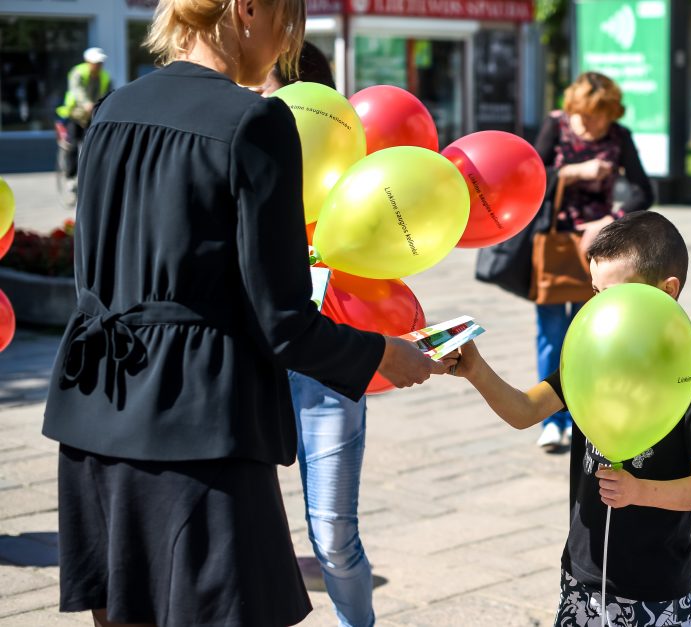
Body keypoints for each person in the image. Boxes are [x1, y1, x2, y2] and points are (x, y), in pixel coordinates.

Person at [41, 1, 451, 626]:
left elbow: (89, 271)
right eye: (291, 22)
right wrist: (381, 353)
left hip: (97, 405)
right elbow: (280, 317)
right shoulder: (255, 121)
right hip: (199, 425)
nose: (289, 43)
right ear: (247, 9)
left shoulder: (112, 110)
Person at [450, 211, 691, 627]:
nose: (598, 307)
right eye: (595, 292)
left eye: (613, 294)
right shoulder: (591, 356)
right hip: (581, 577)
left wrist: (640, 491)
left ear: (667, 291)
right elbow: (524, 411)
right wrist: (476, 370)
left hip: (654, 592)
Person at [258, 42, 375, 627]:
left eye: (267, 88)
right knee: (245, 530)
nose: (256, 97)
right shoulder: (246, 154)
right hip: (253, 365)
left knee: (332, 535)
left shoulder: (358, 167)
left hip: (327, 365)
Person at [532, 71, 654, 451]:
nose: (591, 124)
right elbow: (531, 176)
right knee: (552, 335)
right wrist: (572, 171)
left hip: (601, 251)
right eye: (585, 115)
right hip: (554, 244)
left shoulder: (620, 137)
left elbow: (643, 191)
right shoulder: (555, 126)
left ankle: (584, 417)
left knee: (593, 334)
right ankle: (552, 421)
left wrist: (612, 219)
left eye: (600, 116)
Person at [56, 47, 111, 180]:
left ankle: (92, 175)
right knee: (73, 144)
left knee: (94, 144)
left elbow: (108, 94)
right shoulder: (78, 72)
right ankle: (70, 176)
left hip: (92, 116)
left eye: (100, 63)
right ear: (88, 61)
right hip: (75, 114)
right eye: (96, 62)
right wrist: (86, 103)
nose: (98, 65)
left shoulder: (105, 76)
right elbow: (77, 90)